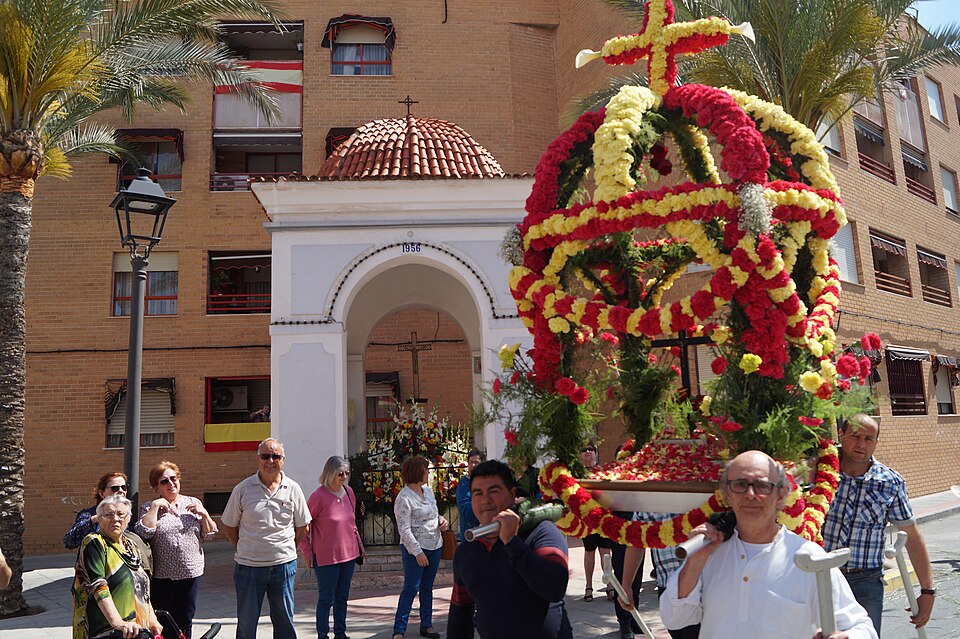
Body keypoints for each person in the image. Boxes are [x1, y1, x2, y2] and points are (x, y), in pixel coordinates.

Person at [660, 450, 877, 639]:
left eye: (762, 486)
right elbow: (675, 618)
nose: (750, 495)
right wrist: (694, 563)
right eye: (740, 485)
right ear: (727, 494)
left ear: (780, 495)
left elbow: (861, 627)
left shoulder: (809, 558)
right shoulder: (708, 552)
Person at [822, 414, 935, 635]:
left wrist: (928, 591)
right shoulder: (820, 470)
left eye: (868, 439)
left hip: (865, 582)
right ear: (841, 435)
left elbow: (912, 536)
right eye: (855, 436)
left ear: (876, 443)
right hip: (819, 576)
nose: (861, 444)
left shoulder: (890, 482)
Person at [447, 459, 572, 639]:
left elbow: (554, 588)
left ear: (512, 494)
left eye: (494, 491)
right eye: (478, 493)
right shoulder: (466, 551)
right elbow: (460, 614)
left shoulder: (542, 532)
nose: (485, 500)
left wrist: (512, 542)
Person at [220, 438, 311, 639]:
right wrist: (244, 547)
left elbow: (303, 527)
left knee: (285, 622)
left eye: (275, 456)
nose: (270, 461)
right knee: (246, 625)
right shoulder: (243, 489)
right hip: (249, 568)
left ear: (283, 460)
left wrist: (286, 548)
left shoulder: (293, 488)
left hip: (283, 566)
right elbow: (229, 526)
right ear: (257, 459)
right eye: (265, 456)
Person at [135, 461, 218, 639]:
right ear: (156, 487)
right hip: (163, 575)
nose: (171, 483)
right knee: (164, 619)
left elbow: (209, 534)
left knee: (185, 618)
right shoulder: (149, 506)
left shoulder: (193, 502)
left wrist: (204, 514)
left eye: (174, 479)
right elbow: (144, 532)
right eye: (164, 481)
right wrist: (155, 507)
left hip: (190, 571)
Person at [72, 495, 163, 639]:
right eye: (108, 515)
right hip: (108, 631)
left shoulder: (131, 545)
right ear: (99, 519)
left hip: (136, 629)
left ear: (128, 518)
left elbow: (142, 588)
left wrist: (151, 618)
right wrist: (117, 622)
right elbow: (98, 586)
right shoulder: (94, 542)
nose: (115, 519)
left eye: (121, 514)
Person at [299, 456, 364, 639]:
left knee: (342, 597)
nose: (344, 477)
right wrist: (307, 552)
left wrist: (359, 543)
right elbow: (304, 526)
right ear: (330, 473)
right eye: (340, 473)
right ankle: (323, 635)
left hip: (349, 554)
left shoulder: (349, 492)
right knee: (326, 598)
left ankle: (340, 634)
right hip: (326, 557)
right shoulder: (318, 496)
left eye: (347, 473)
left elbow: (352, 523)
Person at [392, 455, 448, 639]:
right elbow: (404, 529)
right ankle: (399, 630)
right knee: (411, 588)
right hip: (415, 550)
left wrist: (441, 520)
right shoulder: (404, 498)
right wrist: (417, 552)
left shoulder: (428, 492)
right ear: (417, 472)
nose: (428, 473)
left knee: (427, 588)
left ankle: (427, 625)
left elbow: (434, 514)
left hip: (435, 545)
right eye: (426, 470)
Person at [578, 443, 612, 602]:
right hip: (587, 519)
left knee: (606, 552)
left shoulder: (602, 471)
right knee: (589, 551)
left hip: (603, 517)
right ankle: (588, 586)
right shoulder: (577, 473)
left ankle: (610, 585)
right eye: (584, 450)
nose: (588, 452)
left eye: (591, 450)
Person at [64, 472, 129, 550]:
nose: (121, 491)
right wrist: (94, 519)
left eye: (124, 487)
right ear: (101, 493)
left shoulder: (128, 514)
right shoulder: (88, 514)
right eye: (115, 488)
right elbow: (69, 542)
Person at [456, 449, 485, 542]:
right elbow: (465, 507)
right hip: (470, 534)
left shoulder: (487, 482)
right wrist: (485, 518)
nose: (473, 465)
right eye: (471, 462)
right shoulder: (463, 483)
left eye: (476, 463)